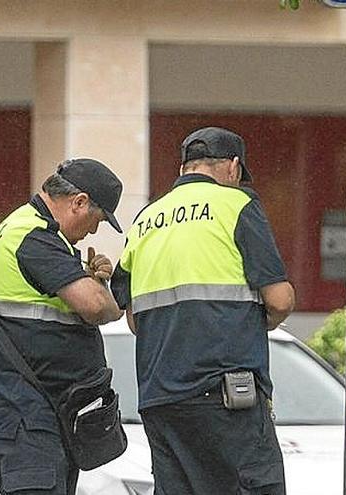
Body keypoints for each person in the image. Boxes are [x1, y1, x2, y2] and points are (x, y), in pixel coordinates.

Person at [110, 126, 296, 494]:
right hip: (225, 397)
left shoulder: (146, 219)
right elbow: (279, 299)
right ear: (233, 167)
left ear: (184, 169)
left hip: (160, 398)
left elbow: (133, 318)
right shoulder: (237, 204)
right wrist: (256, 321)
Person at [0, 158, 124, 495]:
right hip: (27, 421)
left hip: (34, 419)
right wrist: (105, 291)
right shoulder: (33, 237)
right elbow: (97, 307)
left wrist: (90, 277)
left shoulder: (37, 234)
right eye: (97, 220)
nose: (93, 231)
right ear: (79, 202)